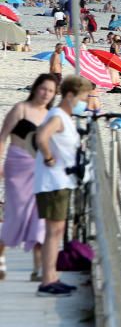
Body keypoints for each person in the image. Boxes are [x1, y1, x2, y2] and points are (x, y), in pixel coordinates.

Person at [33, 75, 91, 296]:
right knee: (52, 231)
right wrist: (48, 158)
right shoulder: (58, 116)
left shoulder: (64, 116)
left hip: (60, 181)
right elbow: (41, 136)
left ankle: (52, 277)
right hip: (52, 182)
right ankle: (47, 281)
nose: (84, 102)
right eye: (83, 97)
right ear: (70, 95)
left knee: (57, 231)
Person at [0, 73, 57, 282]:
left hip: (40, 168)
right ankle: (1, 258)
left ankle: (38, 267)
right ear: (36, 88)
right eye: (43, 89)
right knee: (16, 213)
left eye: (51, 91)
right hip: (16, 165)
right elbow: (3, 137)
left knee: (38, 216)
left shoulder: (51, 115)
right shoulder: (21, 109)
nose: (46, 94)